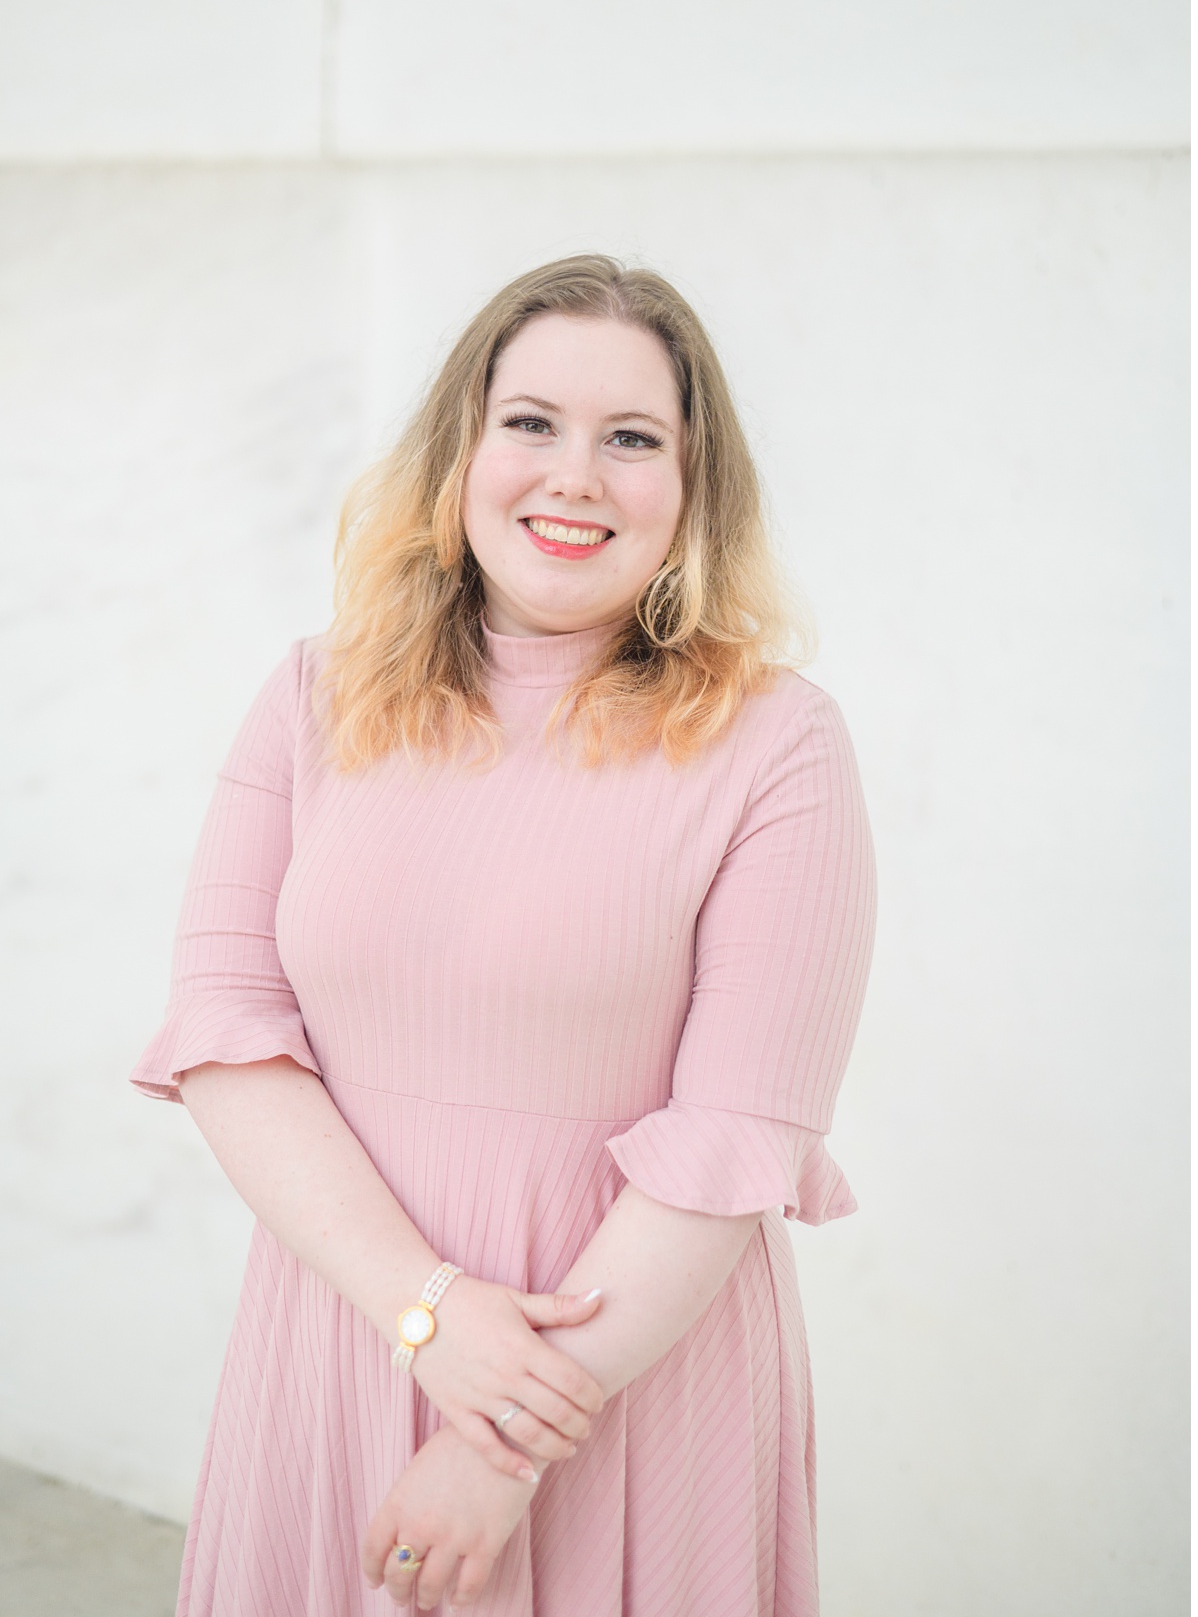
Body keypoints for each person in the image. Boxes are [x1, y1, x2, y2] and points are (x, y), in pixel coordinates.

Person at [130, 254, 877, 1612]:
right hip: (345, 1327)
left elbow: (740, 1128)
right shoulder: (312, 696)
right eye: (530, 421)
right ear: (462, 448)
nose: (574, 476)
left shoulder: (780, 743)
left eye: (632, 438)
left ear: (694, 488)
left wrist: (506, 1434)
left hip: (628, 1377)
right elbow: (228, 1034)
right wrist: (426, 1317)